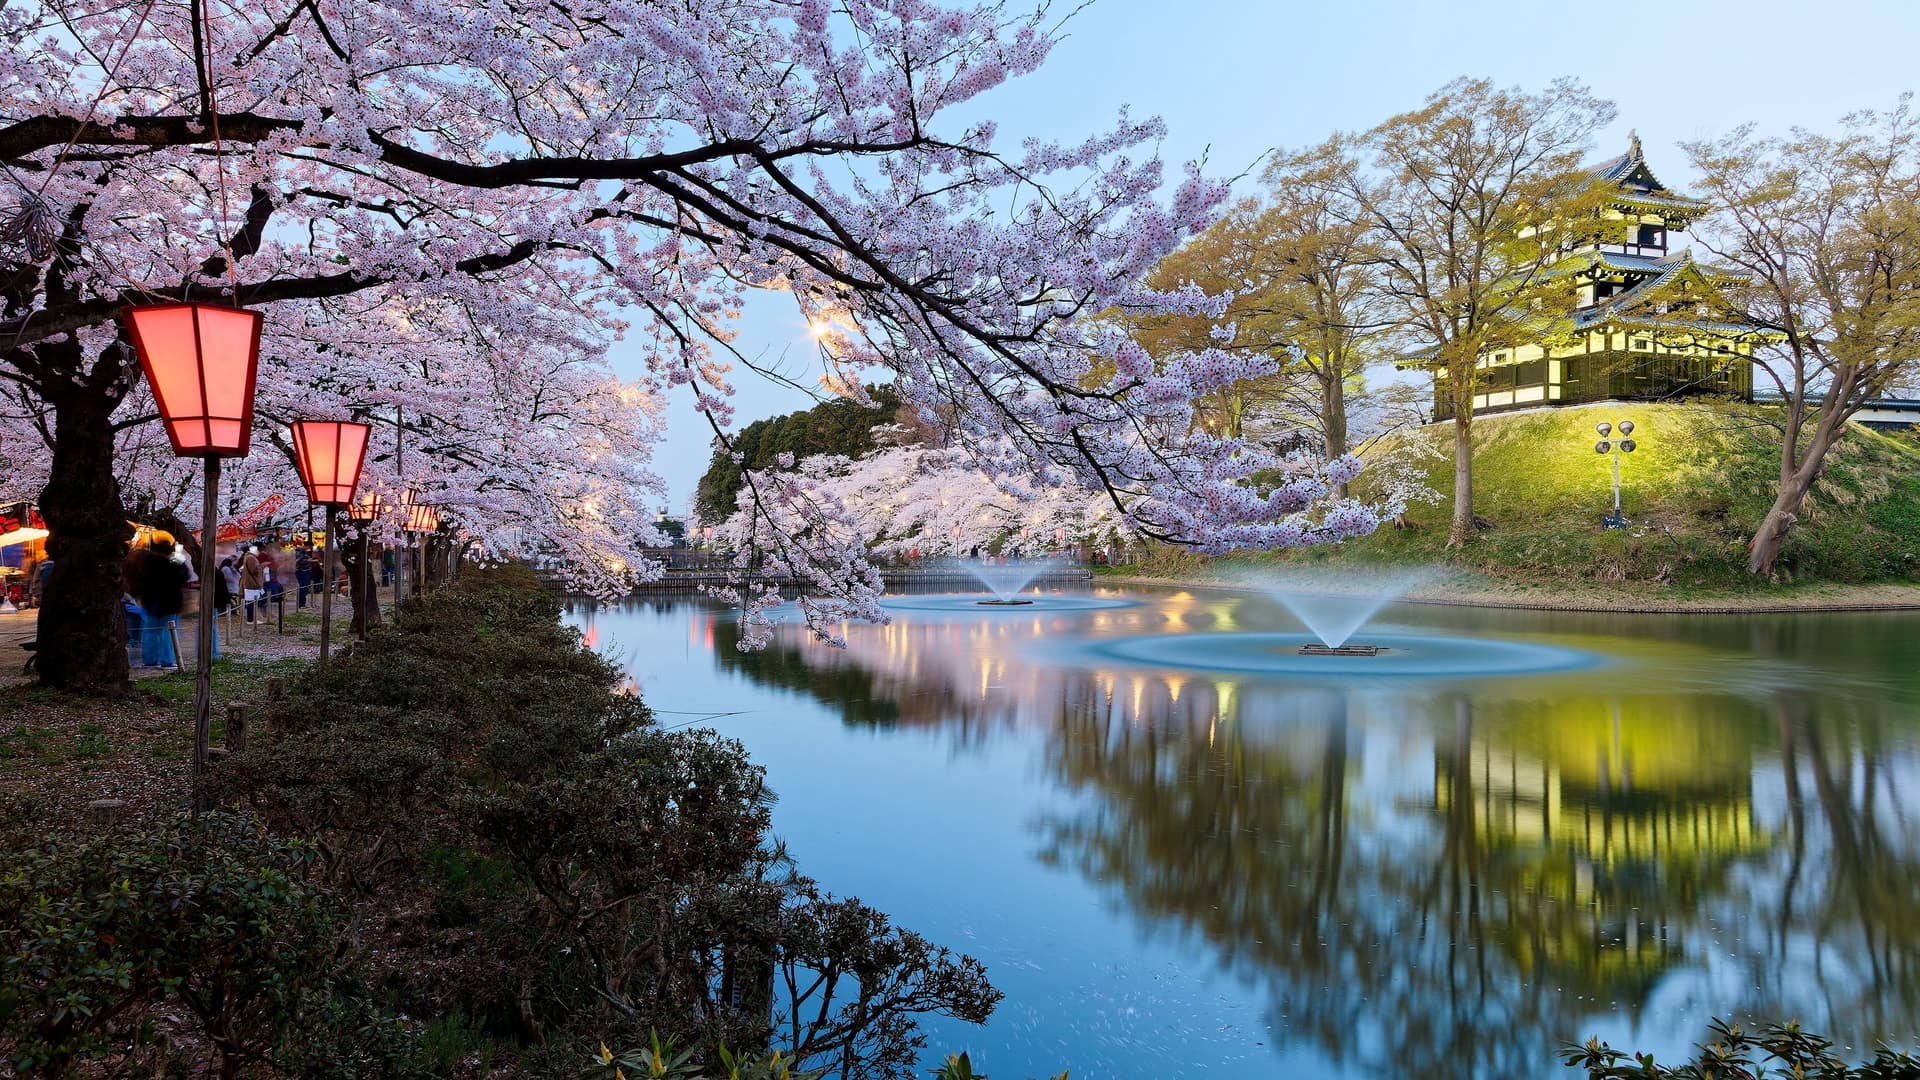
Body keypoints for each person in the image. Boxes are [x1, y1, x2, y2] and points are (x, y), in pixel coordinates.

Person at [133, 532, 188, 668]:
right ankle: (167, 660)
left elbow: (140, 581)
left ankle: (150, 660)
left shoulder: (146, 562)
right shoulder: (174, 562)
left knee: (150, 631)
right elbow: (184, 576)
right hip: (170, 601)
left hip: (150, 600)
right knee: (168, 631)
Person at [240, 546, 265, 623]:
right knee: (251, 603)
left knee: (251, 602)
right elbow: (254, 570)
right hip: (252, 584)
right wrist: (261, 566)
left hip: (250, 583)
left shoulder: (248, 557)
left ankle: (251, 619)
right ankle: (251, 620)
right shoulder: (251, 558)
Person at [293, 541, 313, 609]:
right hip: (302, 571)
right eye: (310, 547)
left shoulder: (303, 552)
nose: (309, 549)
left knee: (304, 587)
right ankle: (301, 604)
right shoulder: (299, 552)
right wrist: (309, 561)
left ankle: (302, 603)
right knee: (303, 587)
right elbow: (299, 561)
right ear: (307, 546)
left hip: (305, 571)